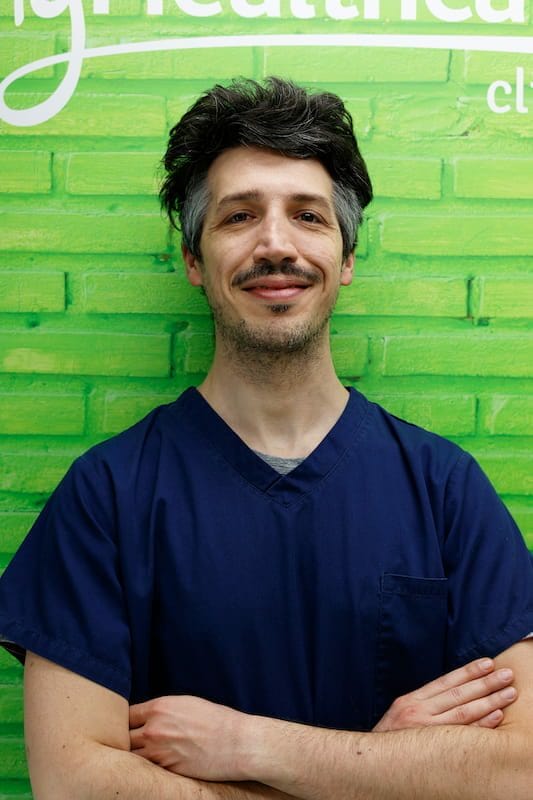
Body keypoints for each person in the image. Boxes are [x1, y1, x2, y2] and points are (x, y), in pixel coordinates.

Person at [0, 77, 532, 799]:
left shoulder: (443, 487)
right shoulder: (108, 495)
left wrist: (249, 744)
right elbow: (75, 784)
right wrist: (380, 764)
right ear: (194, 260)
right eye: (239, 216)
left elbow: (520, 770)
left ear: (346, 258)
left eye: (308, 216)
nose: (276, 244)